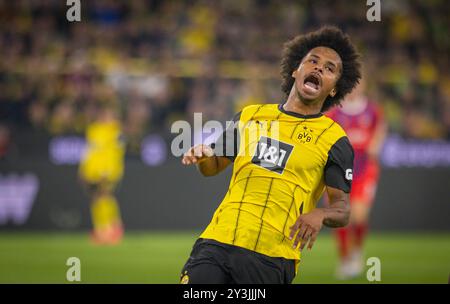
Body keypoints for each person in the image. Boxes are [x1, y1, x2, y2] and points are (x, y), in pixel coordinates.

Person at [180, 26, 361, 284]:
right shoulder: (249, 115)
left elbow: (342, 210)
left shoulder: (335, 140)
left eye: (330, 68)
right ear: (295, 71)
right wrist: (203, 157)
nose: (319, 68)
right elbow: (212, 167)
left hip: (271, 258)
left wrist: (319, 215)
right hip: (217, 241)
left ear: (333, 89)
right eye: (313, 61)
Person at [326, 76, 387, 279]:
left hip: (365, 169)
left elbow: (380, 130)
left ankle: (357, 252)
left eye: (358, 84)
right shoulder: (335, 112)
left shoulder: (373, 111)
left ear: (364, 85)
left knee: (359, 216)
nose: (354, 88)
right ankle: (344, 259)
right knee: (340, 215)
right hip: (339, 171)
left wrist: (376, 144)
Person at [79, 103, 125, 245]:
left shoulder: (116, 131)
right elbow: (89, 151)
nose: (107, 117)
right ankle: (102, 229)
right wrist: (82, 169)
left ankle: (111, 228)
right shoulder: (93, 130)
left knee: (105, 195)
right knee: (96, 198)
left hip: (108, 170)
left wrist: (108, 170)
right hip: (92, 170)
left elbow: (115, 153)